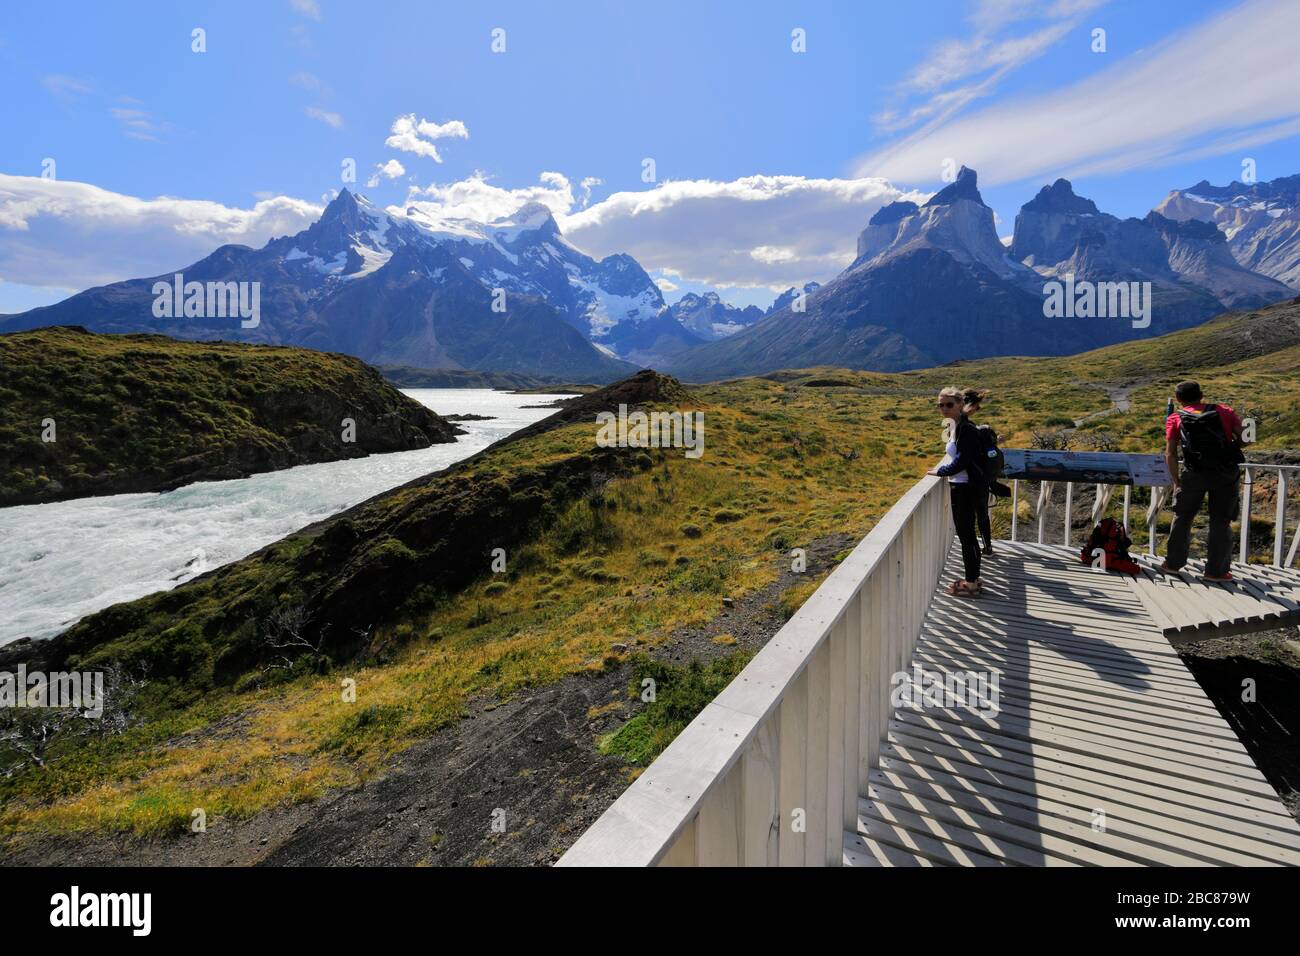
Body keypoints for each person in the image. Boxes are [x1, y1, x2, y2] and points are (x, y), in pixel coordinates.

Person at [1161, 380, 1245, 581]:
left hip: (1193, 473)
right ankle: (1216, 572)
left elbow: (1170, 454)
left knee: (1183, 516)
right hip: (1225, 473)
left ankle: (1173, 564)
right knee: (1220, 520)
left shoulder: (1175, 417)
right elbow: (1247, 438)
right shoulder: (1225, 411)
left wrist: (1176, 481)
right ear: (1201, 394)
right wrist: (1229, 449)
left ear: (1179, 399)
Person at [927, 387, 987, 597]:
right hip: (962, 486)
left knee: (966, 536)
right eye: (940, 405)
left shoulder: (966, 429)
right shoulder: (957, 426)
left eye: (949, 404)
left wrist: (941, 471)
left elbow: (963, 460)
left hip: (965, 488)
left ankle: (970, 584)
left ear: (960, 404)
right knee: (967, 535)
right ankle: (974, 578)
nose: (943, 409)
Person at [962, 388, 995, 556]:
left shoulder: (964, 425)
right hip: (980, 478)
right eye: (977, 406)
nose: (977, 410)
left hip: (970, 479)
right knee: (982, 513)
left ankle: (973, 552)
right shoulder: (969, 425)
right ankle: (987, 546)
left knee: (969, 517)